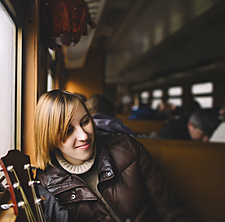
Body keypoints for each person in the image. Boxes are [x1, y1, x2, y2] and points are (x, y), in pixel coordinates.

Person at [35, 90, 191, 222]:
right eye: (68, 131)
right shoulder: (46, 185)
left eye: (84, 121)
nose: (83, 135)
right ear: (50, 138)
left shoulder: (128, 149)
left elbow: (170, 211)